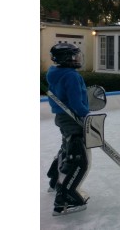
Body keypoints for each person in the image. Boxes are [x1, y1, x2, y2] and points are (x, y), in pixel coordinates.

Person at [46, 43, 92, 216]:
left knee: (67, 148)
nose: (77, 58)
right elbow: (75, 101)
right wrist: (85, 114)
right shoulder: (71, 76)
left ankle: (54, 180)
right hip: (72, 118)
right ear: (66, 58)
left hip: (62, 117)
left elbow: (55, 99)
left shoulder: (54, 73)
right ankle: (65, 199)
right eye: (74, 56)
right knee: (78, 156)